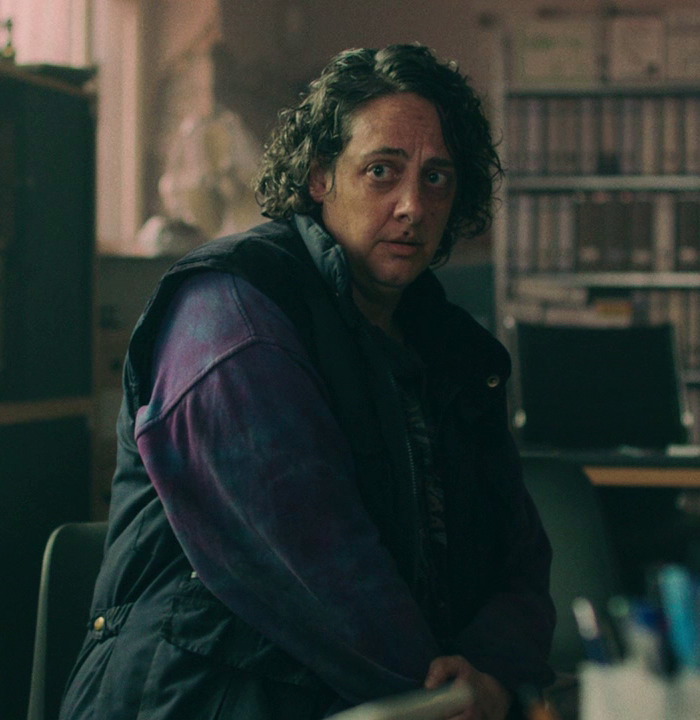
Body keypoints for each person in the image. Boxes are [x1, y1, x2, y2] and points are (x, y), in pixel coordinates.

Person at [59, 43, 555, 720]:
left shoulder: (454, 348)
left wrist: (492, 673)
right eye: (381, 171)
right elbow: (314, 560)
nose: (413, 204)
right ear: (321, 175)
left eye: (437, 177)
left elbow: (519, 557)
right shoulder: (232, 313)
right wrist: (443, 698)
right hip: (205, 696)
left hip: (394, 701)